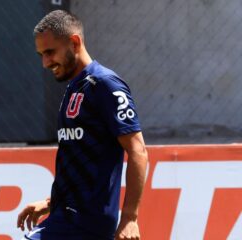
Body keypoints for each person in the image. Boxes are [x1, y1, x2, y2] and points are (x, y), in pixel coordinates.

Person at [17, 9, 148, 240]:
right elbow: (83, 162)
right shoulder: (75, 87)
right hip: (65, 217)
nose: (45, 63)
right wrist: (51, 203)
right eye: (41, 55)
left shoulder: (105, 84)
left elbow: (138, 150)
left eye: (50, 52)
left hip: (85, 223)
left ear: (74, 42)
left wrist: (129, 218)